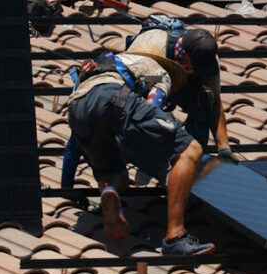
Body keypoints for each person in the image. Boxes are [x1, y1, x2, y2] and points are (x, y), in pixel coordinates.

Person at [65, 45, 215, 256]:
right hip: (113, 96)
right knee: (190, 150)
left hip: (76, 110)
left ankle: (110, 190)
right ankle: (175, 237)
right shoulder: (160, 73)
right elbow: (152, 107)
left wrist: (66, 187)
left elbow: (74, 145)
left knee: (116, 175)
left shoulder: (110, 65)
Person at [126, 20, 237, 163]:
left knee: (204, 98)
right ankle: (150, 154)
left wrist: (224, 146)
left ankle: (193, 157)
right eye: (197, 67)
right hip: (146, 78)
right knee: (152, 111)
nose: (201, 71)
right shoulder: (154, 45)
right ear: (184, 54)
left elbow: (215, 102)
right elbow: (130, 82)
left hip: (179, 82)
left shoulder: (207, 57)